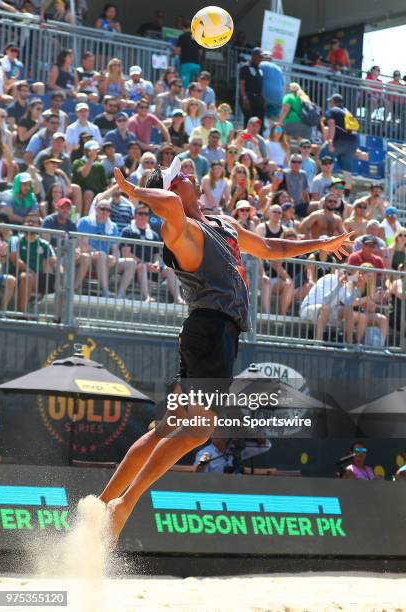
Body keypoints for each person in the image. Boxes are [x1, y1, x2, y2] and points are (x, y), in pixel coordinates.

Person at [99, 165, 352, 543]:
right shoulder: (180, 230)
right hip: (210, 331)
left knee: (166, 430)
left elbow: (271, 248)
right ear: (173, 189)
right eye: (179, 174)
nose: (187, 172)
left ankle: (100, 503)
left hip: (210, 333)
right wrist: (136, 190)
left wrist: (319, 244)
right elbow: (166, 203)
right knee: (199, 430)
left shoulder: (222, 222)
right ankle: (125, 504)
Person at [120, 203, 182, 303]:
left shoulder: (154, 234)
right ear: (135, 215)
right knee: (142, 266)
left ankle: (178, 298)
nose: (143, 216)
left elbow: (157, 256)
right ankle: (147, 297)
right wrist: (145, 263)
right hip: (134, 267)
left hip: (150, 267)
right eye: (140, 214)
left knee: (169, 269)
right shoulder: (127, 231)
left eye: (146, 214)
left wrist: (156, 263)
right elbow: (126, 254)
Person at [77, 197, 135, 298]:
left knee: (131, 263)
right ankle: (105, 290)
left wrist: (114, 258)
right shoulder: (85, 222)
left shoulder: (113, 227)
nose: (105, 212)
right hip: (88, 259)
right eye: (102, 209)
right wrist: (100, 254)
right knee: (102, 255)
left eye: (108, 210)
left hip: (105, 261)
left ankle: (120, 294)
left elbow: (116, 248)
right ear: (95, 209)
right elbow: (84, 246)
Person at [8, 211, 57, 313]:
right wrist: (31, 272)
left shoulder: (44, 244)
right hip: (15, 275)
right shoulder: (14, 239)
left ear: (39, 225)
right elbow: (15, 259)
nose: (30, 223)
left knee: (63, 282)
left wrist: (62, 274)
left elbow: (54, 262)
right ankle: (23, 314)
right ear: (23, 224)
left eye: (33, 222)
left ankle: (60, 320)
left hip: (36, 278)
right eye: (27, 221)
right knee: (27, 276)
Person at [300, 268, 365, 343]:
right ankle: (318, 342)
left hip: (326, 311)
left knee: (348, 310)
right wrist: (338, 286)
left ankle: (348, 344)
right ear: (338, 271)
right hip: (308, 308)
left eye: (349, 274)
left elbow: (350, 303)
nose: (346, 275)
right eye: (344, 272)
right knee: (326, 308)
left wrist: (358, 288)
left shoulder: (344, 286)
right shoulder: (328, 278)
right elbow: (324, 301)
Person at [257, 203, 293, 315]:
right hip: (260, 272)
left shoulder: (285, 229)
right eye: (274, 211)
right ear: (268, 213)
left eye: (279, 212)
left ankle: (282, 316)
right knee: (265, 281)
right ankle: (267, 315)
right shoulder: (262, 228)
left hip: (277, 274)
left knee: (288, 284)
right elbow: (257, 252)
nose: (277, 214)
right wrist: (262, 273)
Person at [319, 93, 358, 198]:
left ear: (333, 102)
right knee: (347, 172)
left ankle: (322, 188)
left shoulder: (332, 111)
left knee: (321, 158)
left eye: (330, 102)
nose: (329, 104)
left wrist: (330, 141)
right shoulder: (348, 113)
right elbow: (355, 130)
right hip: (352, 143)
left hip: (338, 141)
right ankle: (346, 197)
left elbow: (331, 124)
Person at [72, 140, 108, 215]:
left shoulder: (99, 166)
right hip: (80, 193)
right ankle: (84, 218)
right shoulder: (78, 162)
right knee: (89, 193)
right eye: (92, 150)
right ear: (85, 151)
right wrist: (91, 159)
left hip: (97, 194)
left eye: (96, 150)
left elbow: (105, 185)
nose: (95, 152)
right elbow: (83, 174)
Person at [239, 47, 265, 128]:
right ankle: (246, 139)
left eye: (262, 57)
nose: (261, 59)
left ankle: (257, 139)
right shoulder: (245, 67)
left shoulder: (260, 68)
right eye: (259, 57)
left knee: (259, 122)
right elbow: (242, 83)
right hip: (249, 97)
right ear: (253, 56)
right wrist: (244, 97)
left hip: (258, 98)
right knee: (249, 121)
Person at [281, 154, 311, 219]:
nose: (296, 164)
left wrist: (308, 205)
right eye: (294, 162)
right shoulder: (284, 173)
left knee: (317, 205)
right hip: (287, 205)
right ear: (290, 162)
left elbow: (305, 192)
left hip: (299, 204)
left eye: (299, 162)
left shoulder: (303, 174)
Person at [175, 22, 202, 89]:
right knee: (195, 85)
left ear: (183, 28)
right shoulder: (197, 37)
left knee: (184, 86)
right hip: (196, 64)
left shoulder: (182, 36)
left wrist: (172, 54)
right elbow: (200, 52)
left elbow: (177, 51)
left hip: (186, 64)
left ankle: (184, 98)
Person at [260, 52, 285, 122]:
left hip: (265, 96)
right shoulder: (279, 68)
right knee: (274, 123)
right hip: (278, 98)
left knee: (260, 119)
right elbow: (283, 86)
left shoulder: (261, 64)